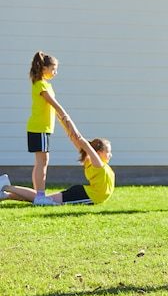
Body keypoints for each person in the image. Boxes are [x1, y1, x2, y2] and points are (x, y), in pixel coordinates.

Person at [0, 131, 115, 205]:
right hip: (87, 196)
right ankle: (5, 186)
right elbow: (83, 143)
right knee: (42, 201)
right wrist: (65, 118)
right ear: (98, 153)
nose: (110, 155)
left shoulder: (93, 162)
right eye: (108, 152)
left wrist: (66, 123)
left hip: (83, 192)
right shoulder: (97, 164)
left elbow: (75, 139)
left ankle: (6, 195)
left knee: (42, 199)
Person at [26, 51, 77, 206]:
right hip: (39, 127)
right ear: (43, 68)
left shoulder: (46, 84)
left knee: (43, 161)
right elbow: (53, 104)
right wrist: (66, 116)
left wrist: (65, 124)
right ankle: (40, 196)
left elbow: (53, 109)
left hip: (44, 128)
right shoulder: (40, 84)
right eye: (53, 69)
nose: (55, 72)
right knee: (42, 161)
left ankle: (40, 194)